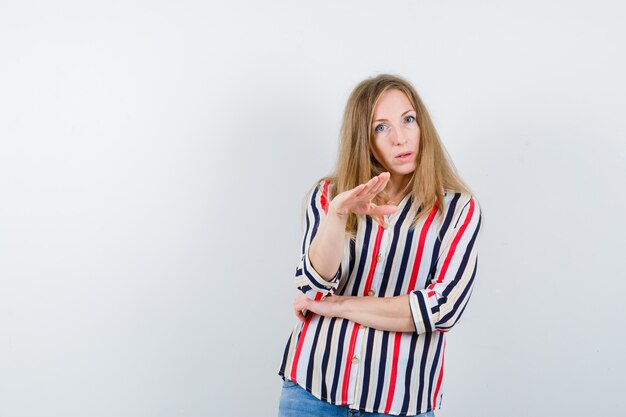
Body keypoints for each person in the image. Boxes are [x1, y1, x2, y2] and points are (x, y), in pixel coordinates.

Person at [277, 74, 482, 417]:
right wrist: (337, 215)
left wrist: (336, 306)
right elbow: (314, 284)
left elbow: (442, 308)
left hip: (399, 402)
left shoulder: (457, 209)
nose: (401, 138)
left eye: (408, 119)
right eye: (381, 127)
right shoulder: (330, 196)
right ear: (364, 139)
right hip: (312, 391)